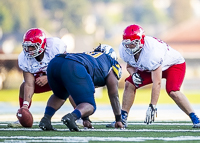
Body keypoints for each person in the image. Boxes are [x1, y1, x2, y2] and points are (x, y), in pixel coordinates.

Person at [106, 24, 200, 128]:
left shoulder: (152, 52)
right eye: (128, 43)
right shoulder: (124, 49)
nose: (130, 46)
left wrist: (152, 105)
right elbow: (129, 65)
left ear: (141, 41)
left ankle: (195, 119)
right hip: (151, 67)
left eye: (133, 43)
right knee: (129, 83)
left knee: (173, 91)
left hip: (173, 65)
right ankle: (122, 119)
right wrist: (133, 74)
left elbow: (157, 82)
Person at [39, 44, 124, 131]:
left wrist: (85, 119)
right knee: (90, 105)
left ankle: (46, 119)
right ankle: (72, 117)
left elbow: (75, 93)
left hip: (55, 62)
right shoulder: (110, 62)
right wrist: (118, 119)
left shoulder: (88, 56)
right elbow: (113, 94)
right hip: (73, 66)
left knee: (60, 95)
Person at [7, 28, 67, 127]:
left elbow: (65, 69)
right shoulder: (24, 58)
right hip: (41, 82)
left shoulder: (55, 47)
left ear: (42, 44)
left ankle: (81, 118)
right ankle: (23, 114)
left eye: (32, 47)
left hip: (60, 79)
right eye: (27, 47)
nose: (29, 50)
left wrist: (48, 77)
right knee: (23, 87)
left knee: (70, 84)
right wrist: (25, 105)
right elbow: (29, 84)